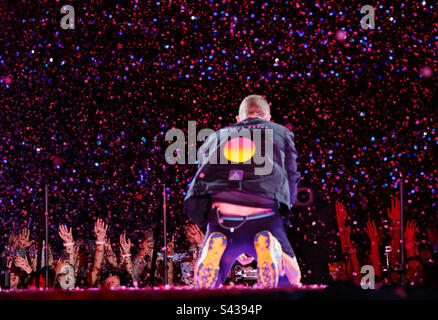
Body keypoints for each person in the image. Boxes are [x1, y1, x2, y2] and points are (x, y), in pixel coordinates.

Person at [184, 94, 301, 288]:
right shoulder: (280, 132)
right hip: (263, 213)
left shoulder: (218, 135)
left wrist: (205, 220)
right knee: (292, 279)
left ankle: (215, 245)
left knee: (210, 282)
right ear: (269, 118)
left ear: (238, 119)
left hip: (224, 214)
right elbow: (291, 178)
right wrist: (282, 217)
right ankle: (273, 248)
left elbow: (201, 179)